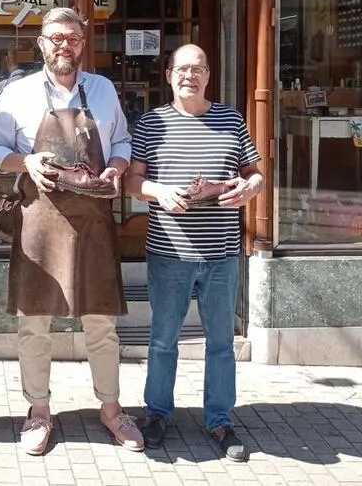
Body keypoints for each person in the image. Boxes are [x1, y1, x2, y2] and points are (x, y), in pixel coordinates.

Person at [0, 7, 142, 456]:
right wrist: (26, 161)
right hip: (40, 219)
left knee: (101, 322)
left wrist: (116, 167)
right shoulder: (17, 93)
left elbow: (123, 141)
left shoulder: (103, 90)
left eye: (72, 38)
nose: (64, 45)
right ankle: (38, 411)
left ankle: (112, 409)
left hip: (93, 220)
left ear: (82, 43)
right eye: (56, 37)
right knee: (34, 323)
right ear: (41, 44)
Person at [124, 43, 263, 462]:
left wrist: (251, 188)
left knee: (221, 342)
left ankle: (220, 420)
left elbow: (254, 173)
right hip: (169, 252)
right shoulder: (151, 123)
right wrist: (158, 191)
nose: (190, 76)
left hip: (222, 253)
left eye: (198, 69)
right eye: (182, 69)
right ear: (169, 76)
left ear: (208, 76)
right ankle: (157, 413)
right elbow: (132, 181)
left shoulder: (231, 119)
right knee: (163, 340)